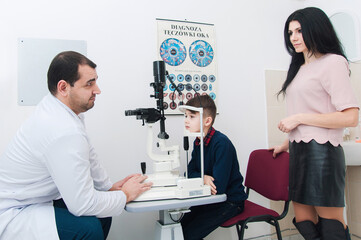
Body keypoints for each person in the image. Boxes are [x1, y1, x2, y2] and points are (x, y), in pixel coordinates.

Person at [0, 51, 152, 240]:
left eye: (95, 81)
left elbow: (90, 157)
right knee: (88, 229)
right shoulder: (61, 129)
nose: (98, 90)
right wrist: (125, 195)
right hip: (14, 211)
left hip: (34, 199)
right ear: (63, 87)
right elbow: (82, 205)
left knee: (104, 215)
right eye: (89, 83)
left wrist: (109, 189)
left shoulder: (62, 110)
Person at [270, 7, 359, 240]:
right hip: (300, 152)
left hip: (324, 153)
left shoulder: (334, 62)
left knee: (332, 227)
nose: (294, 38)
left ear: (315, 29)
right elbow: (306, 112)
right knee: (304, 220)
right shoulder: (299, 67)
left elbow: (350, 117)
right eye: (290, 33)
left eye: (299, 30)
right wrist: (286, 144)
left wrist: (298, 119)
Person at [180, 95, 248, 240]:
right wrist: (203, 178)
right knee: (178, 228)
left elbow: (218, 188)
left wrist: (199, 178)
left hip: (229, 201)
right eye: (186, 116)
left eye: (191, 116)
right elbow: (189, 172)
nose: (186, 120)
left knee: (189, 235)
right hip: (210, 199)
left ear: (207, 121)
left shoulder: (221, 144)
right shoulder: (198, 142)